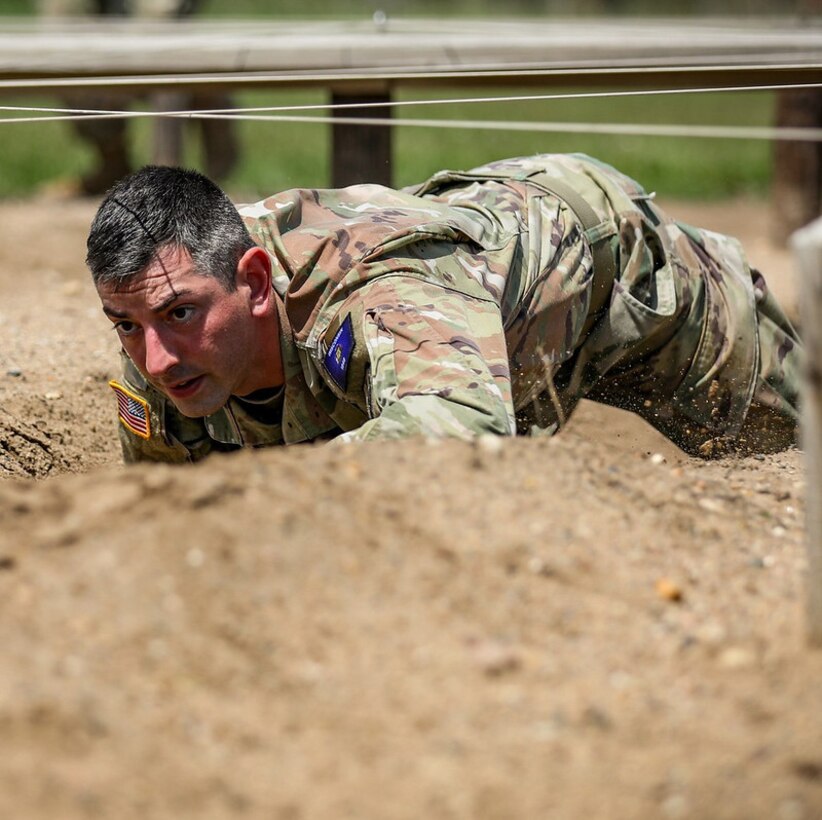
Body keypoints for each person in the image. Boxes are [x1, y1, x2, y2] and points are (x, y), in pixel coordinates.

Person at [86, 152, 802, 464]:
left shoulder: (377, 287)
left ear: (254, 281)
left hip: (625, 274)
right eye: (125, 325)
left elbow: (460, 430)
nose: (154, 357)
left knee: (795, 459)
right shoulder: (157, 304)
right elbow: (163, 509)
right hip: (501, 323)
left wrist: (265, 495)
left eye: (181, 316)